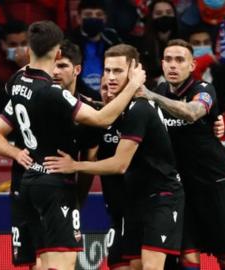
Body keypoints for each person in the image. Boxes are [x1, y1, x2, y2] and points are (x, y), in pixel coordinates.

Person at [0, 20, 145, 269]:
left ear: (28, 49)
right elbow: (102, 118)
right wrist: (134, 85)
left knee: (41, 263)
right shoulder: (52, 92)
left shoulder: (16, 83)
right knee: (62, 262)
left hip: (29, 181)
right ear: (58, 52)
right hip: (53, 181)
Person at [43, 44, 185, 270]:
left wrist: (75, 165)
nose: (110, 77)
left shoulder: (140, 109)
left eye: (117, 71)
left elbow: (120, 165)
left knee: (151, 266)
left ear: (134, 71)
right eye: (107, 71)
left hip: (161, 198)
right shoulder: (107, 115)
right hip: (130, 205)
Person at [0, 39, 103, 269]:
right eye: (55, 65)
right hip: (24, 185)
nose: (56, 71)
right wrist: (15, 152)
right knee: (35, 262)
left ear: (77, 70)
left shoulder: (85, 110)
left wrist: (80, 196)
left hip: (61, 190)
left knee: (58, 260)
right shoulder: (29, 94)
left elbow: (89, 157)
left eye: (64, 66)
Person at [139, 39, 225, 270]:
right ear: (162, 64)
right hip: (181, 189)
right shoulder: (160, 91)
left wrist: (151, 97)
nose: (173, 65)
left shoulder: (203, 89)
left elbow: (193, 112)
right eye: (168, 60)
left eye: (180, 60)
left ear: (192, 65)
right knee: (188, 256)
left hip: (215, 185)